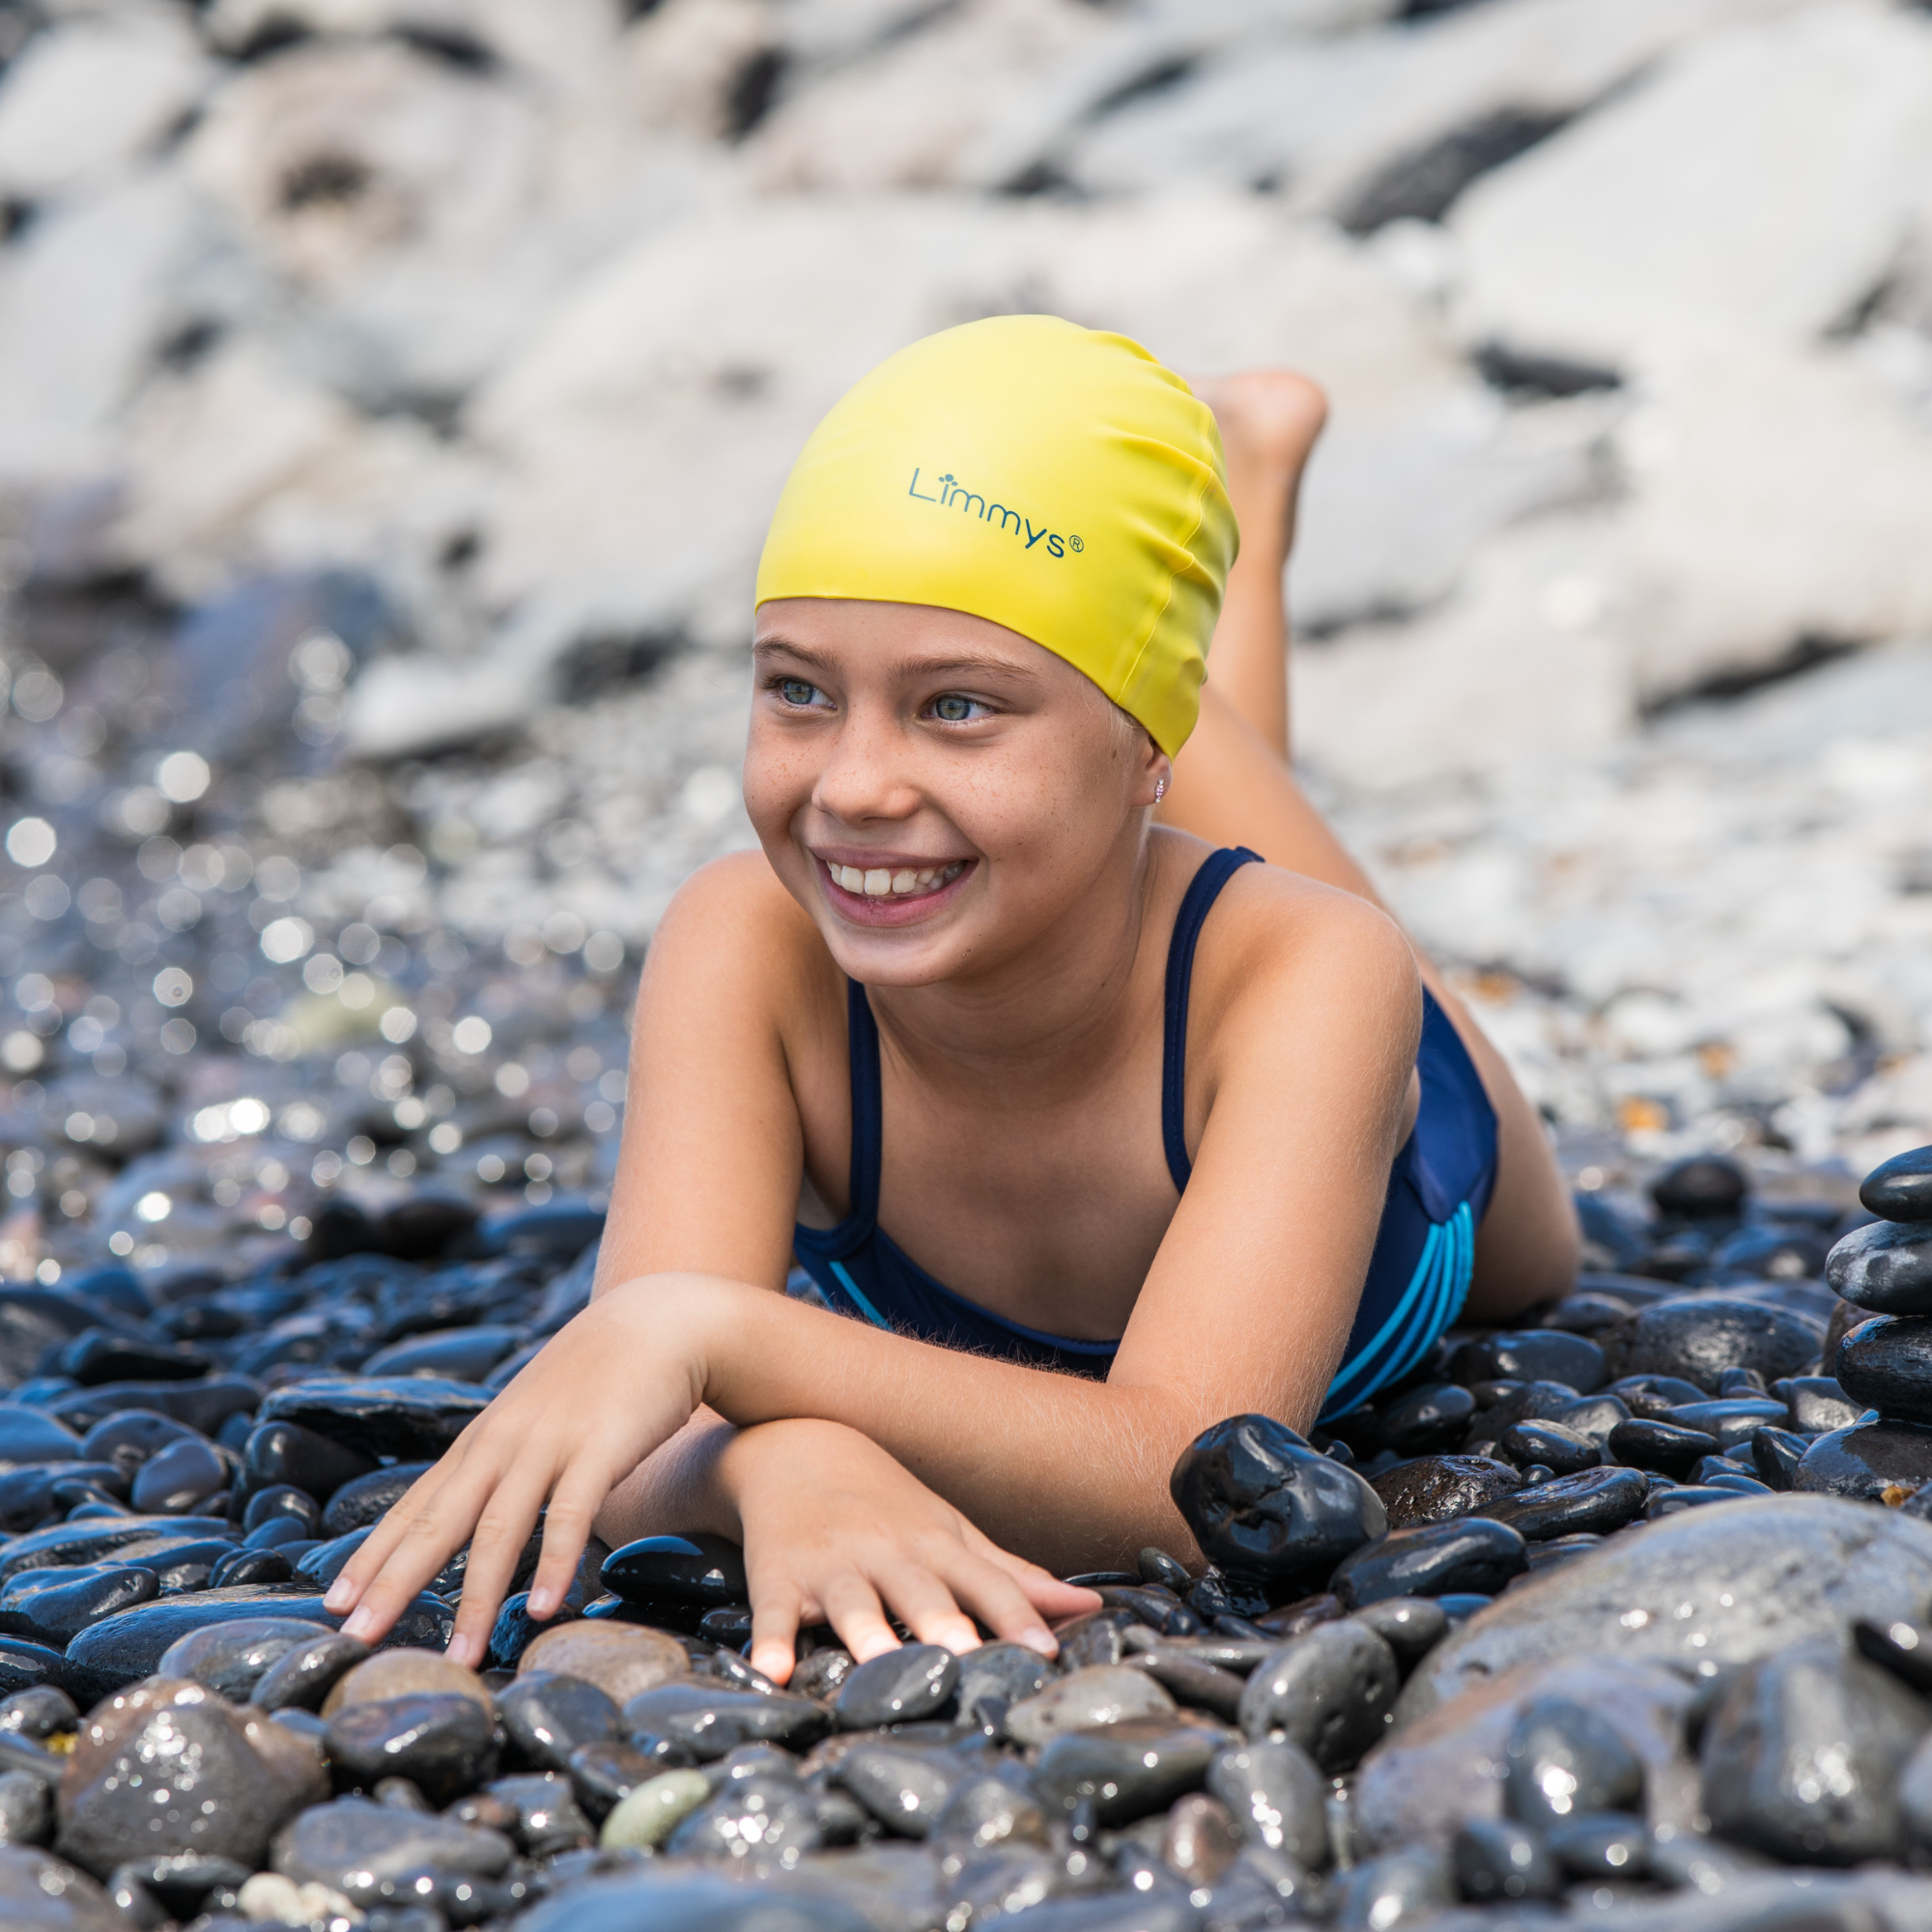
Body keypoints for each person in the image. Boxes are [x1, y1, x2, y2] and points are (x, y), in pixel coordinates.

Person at [326, 316, 1579, 1681]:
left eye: (957, 708)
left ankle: (1245, 498)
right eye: (799, 690)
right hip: (1121, 785)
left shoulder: (1309, 973)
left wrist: (716, 1335)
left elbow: (1194, 1475)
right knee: (1086, 752)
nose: (854, 784)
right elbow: (621, 1418)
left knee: (1534, 1253)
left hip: (1389, 1139)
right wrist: (780, 1468)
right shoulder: (744, 938)